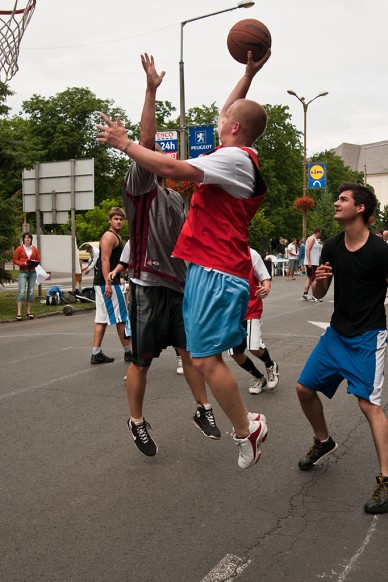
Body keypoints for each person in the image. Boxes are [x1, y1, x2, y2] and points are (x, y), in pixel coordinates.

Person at [97, 48, 271, 469]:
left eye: (222, 122)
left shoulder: (229, 161)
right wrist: (246, 75)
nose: (217, 122)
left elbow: (171, 165)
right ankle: (218, 422)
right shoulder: (218, 160)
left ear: (232, 129)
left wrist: (124, 144)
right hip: (188, 276)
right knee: (189, 357)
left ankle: (246, 429)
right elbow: (229, 115)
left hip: (213, 272)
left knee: (205, 359)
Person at [107, 54, 221, 457]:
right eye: (163, 159)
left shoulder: (176, 199)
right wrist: (152, 90)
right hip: (147, 287)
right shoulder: (142, 187)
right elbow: (148, 143)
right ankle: (136, 421)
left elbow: (191, 244)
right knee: (141, 362)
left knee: (192, 353)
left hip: (180, 287)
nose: (169, 160)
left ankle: (203, 409)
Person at [296, 182, 388, 514]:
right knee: (304, 388)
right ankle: (324, 441)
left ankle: (386, 478)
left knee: (369, 406)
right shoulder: (332, 246)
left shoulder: (380, 251)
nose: (336, 203)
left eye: (343, 199)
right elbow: (320, 294)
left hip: (368, 337)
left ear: (360, 209)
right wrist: (320, 279)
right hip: (336, 334)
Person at [229, 247, 279, 395]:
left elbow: (265, 277)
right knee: (236, 354)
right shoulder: (218, 254)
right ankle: (258, 377)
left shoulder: (251, 253)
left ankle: (271, 366)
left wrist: (266, 288)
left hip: (251, 308)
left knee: (253, 347)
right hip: (231, 313)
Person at [90, 206, 132, 365]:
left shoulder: (116, 237)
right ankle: (129, 352)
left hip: (105, 282)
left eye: (121, 219)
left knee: (101, 319)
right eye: (116, 219)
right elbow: (105, 260)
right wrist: (108, 282)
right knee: (121, 318)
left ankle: (96, 353)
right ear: (109, 220)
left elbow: (117, 261)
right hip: (107, 283)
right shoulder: (109, 236)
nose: (119, 221)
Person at [12, 232, 40, 320]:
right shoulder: (19, 249)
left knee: (31, 292)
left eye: (29, 238)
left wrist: (34, 262)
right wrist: (23, 263)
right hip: (23, 272)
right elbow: (14, 260)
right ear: (23, 239)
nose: (28, 239)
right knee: (22, 291)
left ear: (31, 239)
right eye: (26, 238)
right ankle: (19, 313)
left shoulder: (34, 249)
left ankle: (28, 312)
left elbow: (39, 259)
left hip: (32, 272)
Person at [302, 227, 322, 301]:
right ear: (318, 232)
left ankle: (305, 294)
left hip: (314, 262)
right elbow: (307, 250)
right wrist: (309, 262)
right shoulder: (312, 239)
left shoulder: (315, 240)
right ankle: (315, 296)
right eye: (320, 233)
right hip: (312, 263)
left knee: (310, 278)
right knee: (314, 279)